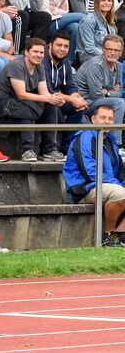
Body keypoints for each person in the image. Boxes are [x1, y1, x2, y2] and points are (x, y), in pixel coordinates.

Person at [0, 37, 65, 162]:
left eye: (41, 53)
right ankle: (27, 150)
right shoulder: (16, 65)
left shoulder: (40, 67)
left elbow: (44, 93)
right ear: (26, 52)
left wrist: (54, 99)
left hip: (16, 103)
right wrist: (47, 98)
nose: (39, 55)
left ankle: (49, 150)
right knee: (27, 106)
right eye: (35, 52)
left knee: (50, 107)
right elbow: (21, 94)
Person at [64, 104, 125, 246]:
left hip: (105, 185)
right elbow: (90, 172)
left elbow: (120, 169)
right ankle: (109, 236)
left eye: (110, 119)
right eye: (103, 117)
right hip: (84, 189)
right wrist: (118, 184)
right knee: (120, 193)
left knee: (120, 190)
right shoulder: (85, 137)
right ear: (93, 119)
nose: (107, 121)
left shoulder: (110, 140)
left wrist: (121, 182)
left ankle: (121, 235)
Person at [77, 0, 119, 64]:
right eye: (103, 0)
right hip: (89, 58)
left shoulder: (111, 23)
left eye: (109, 1)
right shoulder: (89, 19)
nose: (106, 3)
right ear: (97, 3)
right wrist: (109, 55)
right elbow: (89, 48)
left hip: (105, 57)